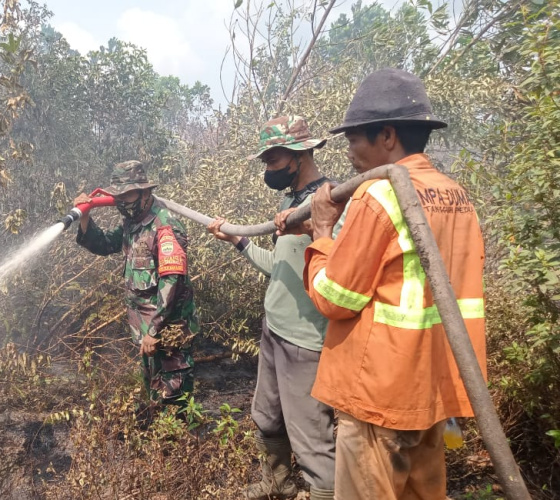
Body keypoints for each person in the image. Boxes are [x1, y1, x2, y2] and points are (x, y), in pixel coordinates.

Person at [277, 68, 486, 499]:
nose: (350, 151)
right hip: (431, 393)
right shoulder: (455, 195)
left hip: (379, 397)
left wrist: (321, 234)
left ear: (387, 136)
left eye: (355, 139)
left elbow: (334, 297)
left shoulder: (381, 195)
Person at [207, 115, 338, 500]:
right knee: (267, 419)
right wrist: (239, 242)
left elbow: (344, 271)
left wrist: (316, 228)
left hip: (307, 341)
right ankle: (278, 485)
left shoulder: (331, 204)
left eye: (274, 160)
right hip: (275, 330)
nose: (268, 169)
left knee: (312, 440)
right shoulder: (289, 202)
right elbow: (280, 268)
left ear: (300, 155)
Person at [74, 160, 198, 407]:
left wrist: (154, 330)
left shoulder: (164, 225)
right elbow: (105, 244)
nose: (122, 201)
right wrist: (85, 216)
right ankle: (160, 442)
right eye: (118, 195)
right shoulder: (132, 223)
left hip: (167, 330)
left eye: (127, 194)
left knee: (174, 398)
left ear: (145, 192)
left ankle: (181, 441)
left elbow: (172, 281)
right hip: (146, 332)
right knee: (154, 394)